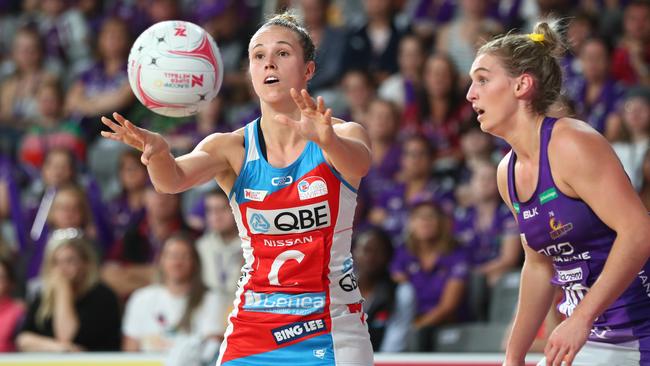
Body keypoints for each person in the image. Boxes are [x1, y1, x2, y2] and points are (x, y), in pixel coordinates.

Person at [100, 11, 373, 365]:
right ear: (250, 72)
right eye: (258, 56)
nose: (268, 62)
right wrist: (158, 154)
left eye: (282, 53)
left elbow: (359, 164)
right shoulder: (230, 147)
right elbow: (172, 181)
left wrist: (328, 140)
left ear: (308, 70)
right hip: (254, 327)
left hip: (332, 325)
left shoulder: (344, 134)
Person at [465, 20, 650, 366]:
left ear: (522, 85)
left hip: (641, 331)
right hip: (594, 337)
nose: (470, 94)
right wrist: (513, 358)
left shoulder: (571, 143)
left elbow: (639, 232)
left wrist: (580, 318)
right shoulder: (508, 171)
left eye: (483, 80)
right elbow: (537, 265)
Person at [16, 230, 121, 352]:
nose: (62, 269)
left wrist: (63, 291)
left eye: (70, 261)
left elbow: (66, 336)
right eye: (56, 262)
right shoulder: (43, 295)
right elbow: (23, 339)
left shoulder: (102, 296)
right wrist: (58, 348)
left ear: (86, 263)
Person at [122, 234, 226, 355]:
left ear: (195, 262)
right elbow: (130, 351)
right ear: (161, 260)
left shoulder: (212, 299)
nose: (177, 262)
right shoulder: (140, 298)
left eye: (184, 256)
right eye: (172, 256)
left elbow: (213, 347)